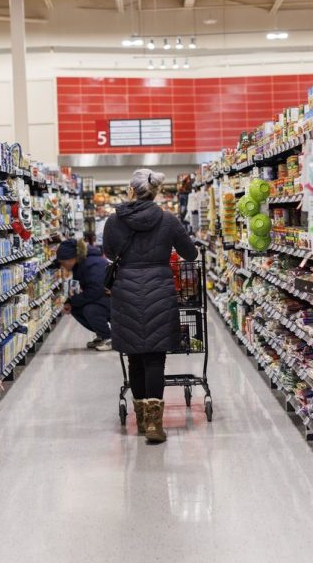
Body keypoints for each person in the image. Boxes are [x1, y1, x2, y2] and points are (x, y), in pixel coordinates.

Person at [103, 169, 198, 444]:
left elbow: (109, 253)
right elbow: (189, 253)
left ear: (130, 190)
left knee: (134, 355)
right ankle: (156, 424)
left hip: (126, 291)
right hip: (160, 290)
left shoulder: (113, 221)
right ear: (156, 192)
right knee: (156, 357)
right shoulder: (168, 220)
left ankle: (142, 420)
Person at [55, 239, 113, 351]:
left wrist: (74, 301)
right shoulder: (79, 264)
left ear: (72, 258)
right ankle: (101, 335)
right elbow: (77, 288)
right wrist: (69, 302)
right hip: (102, 297)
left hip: (114, 300)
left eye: (63, 262)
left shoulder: (93, 263)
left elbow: (96, 290)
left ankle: (109, 337)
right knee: (76, 308)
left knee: (90, 310)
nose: (62, 266)